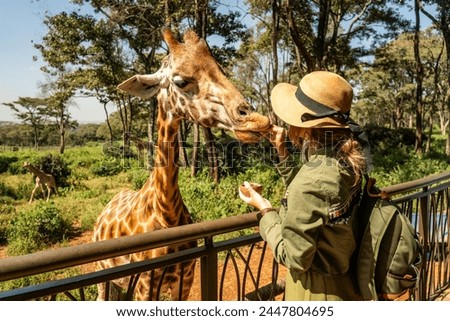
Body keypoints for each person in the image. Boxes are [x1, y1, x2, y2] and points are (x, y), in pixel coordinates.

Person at [239, 71, 370, 301]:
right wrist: (282, 151)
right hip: (347, 285)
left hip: (315, 294)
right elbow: (313, 201)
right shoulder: (346, 161)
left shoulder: (312, 180)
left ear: (307, 127)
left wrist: (266, 211)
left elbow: (293, 257)